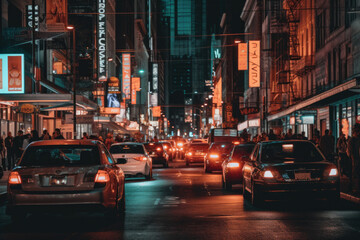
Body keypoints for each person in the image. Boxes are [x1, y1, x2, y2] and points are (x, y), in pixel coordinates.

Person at [347, 123, 360, 195]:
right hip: (355, 160)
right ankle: (354, 188)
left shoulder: (354, 140)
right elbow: (350, 152)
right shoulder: (352, 140)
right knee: (354, 174)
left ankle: (354, 188)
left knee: (355, 174)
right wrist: (353, 160)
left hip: (356, 159)